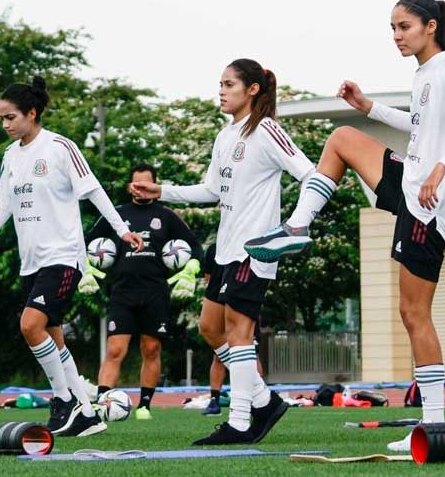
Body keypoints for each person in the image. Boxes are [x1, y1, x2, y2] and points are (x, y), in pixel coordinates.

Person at [244, 0, 445, 451]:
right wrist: (369, 108)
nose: (397, 36)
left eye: (404, 27)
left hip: (430, 201)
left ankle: (434, 425)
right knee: (343, 138)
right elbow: (422, 128)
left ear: (431, 26)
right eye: (392, 29)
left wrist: (442, 168)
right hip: (412, 182)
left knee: (414, 313)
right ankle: (297, 227)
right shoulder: (424, 74)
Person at [132, 59, 314, 444]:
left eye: (229, 84)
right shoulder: (224, 136)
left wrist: (290, 229)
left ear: (252, 90)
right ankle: (264, 400)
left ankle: (241, 421)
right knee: (209, 328)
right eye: (220, 84)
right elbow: (211, 191)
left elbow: (310, 174)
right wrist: (162, 191)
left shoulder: (267, 130)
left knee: (238, 333)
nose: (221, 90)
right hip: (226, 250)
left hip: (256, 250)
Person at [0, 77, 143, 437]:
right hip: (32, 261)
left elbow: (93, 191)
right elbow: (1, 210)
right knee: (53, 338)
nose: (6, 124)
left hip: (63, 256)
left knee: (30, 325)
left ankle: (64, 400)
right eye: (1, 119)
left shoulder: (60, 147)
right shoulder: (10, 157)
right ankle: (86, 414)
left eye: (11, 117)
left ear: (32, 113)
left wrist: (121, 230)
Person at [79, 163, 203, 420]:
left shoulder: (166, 215)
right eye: (137, 185)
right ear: (129, 186)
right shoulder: (116, 214)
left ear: (155, 186)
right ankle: (104, 404)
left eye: (147, 185)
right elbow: (85, 243)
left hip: (155, 291)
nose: (141, 190)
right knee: (115, 349)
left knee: (151, 349)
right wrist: (86, 268)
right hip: (122, 291)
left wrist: (191, 268)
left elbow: (195, 246)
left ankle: (144, 405)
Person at [200, 242, 264, 417]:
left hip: (240, 293)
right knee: (217, 350)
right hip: (218, 295)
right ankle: (215, 399)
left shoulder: (249, 243)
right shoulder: (214, 248)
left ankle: (256, 400)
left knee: (248, 349)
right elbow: (207, 277)